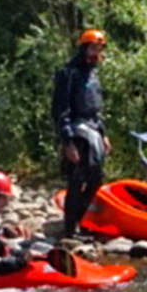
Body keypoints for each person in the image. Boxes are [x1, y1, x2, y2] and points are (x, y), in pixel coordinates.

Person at [51, 28, 107, 236]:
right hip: (76, 132)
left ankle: (79, 220)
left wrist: (104, 133)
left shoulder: (93, 73)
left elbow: (95, 108)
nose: (96, 53)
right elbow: (60, 110)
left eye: (99, 49)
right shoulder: (68, 73)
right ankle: (69, 229)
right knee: (76, 180)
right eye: (93, 48)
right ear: (84, 48)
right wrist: (68, 143)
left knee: (96, 179)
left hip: (93, 131)